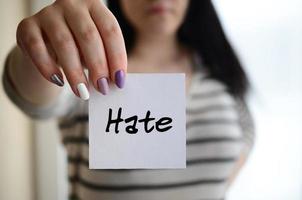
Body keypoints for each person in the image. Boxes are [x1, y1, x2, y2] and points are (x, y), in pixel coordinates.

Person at [2, 0, 255, 199]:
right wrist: (41, 47)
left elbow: (246, 129)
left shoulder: (218, 68)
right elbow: (32, 98)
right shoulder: (87, 69)